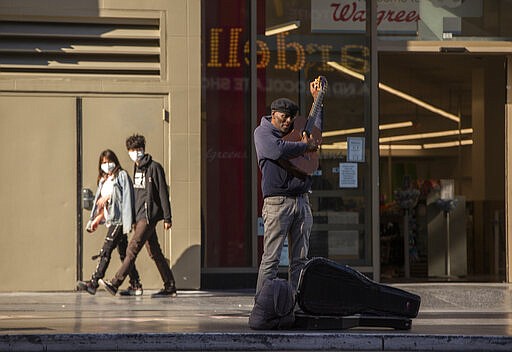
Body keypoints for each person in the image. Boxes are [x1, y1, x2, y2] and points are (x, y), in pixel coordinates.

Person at [253, 80, 322, 295]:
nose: (288, 121)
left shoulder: (296, 131)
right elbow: (277, 150)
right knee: (271, 260)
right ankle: (262, 306)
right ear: (273, 114)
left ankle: (294, 304)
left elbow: (315, 133)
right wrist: (305, 146)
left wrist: (318, 101)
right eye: (284, 117)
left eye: (291, 117)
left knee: (300, 261)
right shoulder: (262, 133)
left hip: (302, 200)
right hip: (277, 202)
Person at [99, 134, 177, 298]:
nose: (136, 153)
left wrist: (167, 218)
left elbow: (163, 192)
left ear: (143, 149)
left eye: (139, 149)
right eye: (133, 150)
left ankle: (115, 283)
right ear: (128, 152)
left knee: (132, 249)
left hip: (148, 217)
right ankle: (170, 285)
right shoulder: (136, 169)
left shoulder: (154, 167)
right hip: (139, 216)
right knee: (155, 252)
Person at [77, 149, 143, 296]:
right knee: (124, 253)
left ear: (115, 161)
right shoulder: (104, 180)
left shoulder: (122, 176)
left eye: (108, 162)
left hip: (118, 220)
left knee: (106, 250)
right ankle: (136, 284)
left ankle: (94, 282)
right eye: (103, 162)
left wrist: (108, 197)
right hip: (111, 220)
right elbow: (104, 207)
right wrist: (96, 220)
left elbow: (126, 196)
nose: (106, 165)